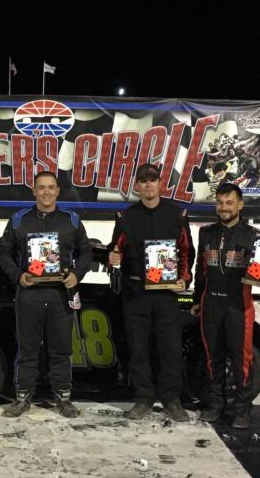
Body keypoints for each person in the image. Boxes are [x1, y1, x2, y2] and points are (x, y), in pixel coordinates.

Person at [0, 171, 92, 418]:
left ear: (58, 191)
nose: (46, 192)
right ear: (34, 191)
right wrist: (17, 275)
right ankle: (22, 397)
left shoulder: (71, 220)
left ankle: (63, 398)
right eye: (41, 187)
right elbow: (3, 252)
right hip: (30, 295)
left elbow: (86, 251)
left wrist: (76, 274)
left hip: (61, 294)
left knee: (61, 349)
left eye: (51, 187)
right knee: (27, 349)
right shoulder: (19, 220)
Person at [108, 163, 195, 422]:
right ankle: (143, 399)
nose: (148, 185)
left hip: (167, 296)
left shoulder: (177, 215)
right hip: (135, 294)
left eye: (152, 180)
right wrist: (113, 257)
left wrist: (183, 279)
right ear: (137, 185)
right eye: (143, 181)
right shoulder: (125, 217)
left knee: (169, 349)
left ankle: (171, 399)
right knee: (139, 350)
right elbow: (116, 250)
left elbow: (186, 252)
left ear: (160, 183)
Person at [191, 183, 256, 429]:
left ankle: (242, 409)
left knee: (242, 360)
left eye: (229, 202)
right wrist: (198, 300)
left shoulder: (252, 235)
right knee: (212, 357)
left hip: (239, 305)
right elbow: (201, 270)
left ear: (240, 204)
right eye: (220, 202)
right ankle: (216, 405)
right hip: (211, 304)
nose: (224, 207)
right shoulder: (206, 233)